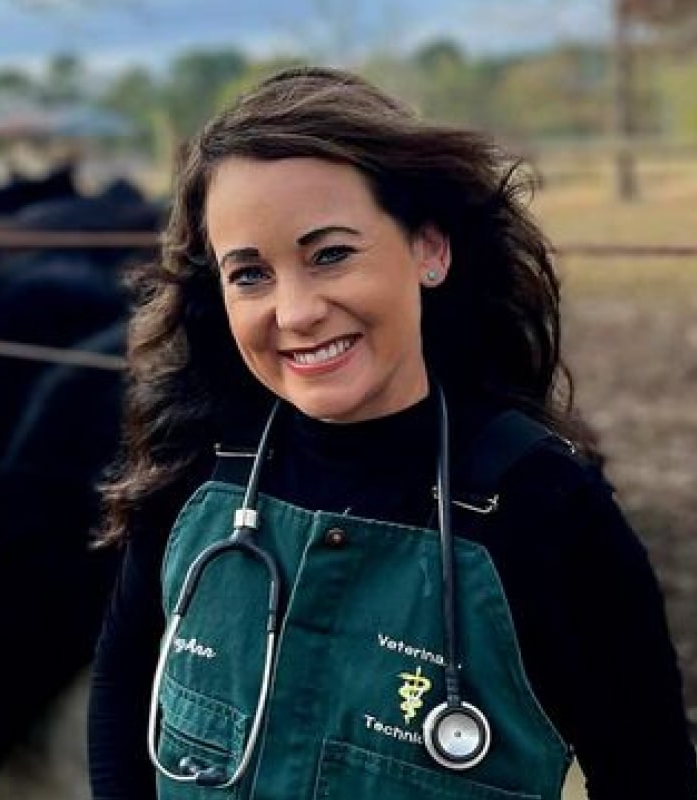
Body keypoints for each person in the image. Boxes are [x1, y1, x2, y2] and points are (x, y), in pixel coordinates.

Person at [88, 66, 697, 800]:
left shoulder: (543, 507)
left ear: (429, 250)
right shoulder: (195, 467)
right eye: (250, 274)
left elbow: (651, 777)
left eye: (331, 254)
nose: (296, 310)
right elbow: (124, 693)